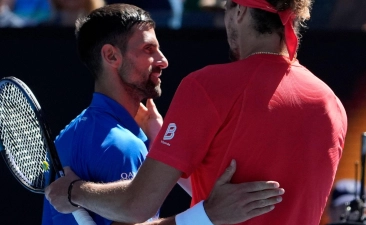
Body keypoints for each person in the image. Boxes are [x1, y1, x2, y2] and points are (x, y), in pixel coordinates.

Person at [46, 0, 347, 224]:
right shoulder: (332, 106)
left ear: (240, 11)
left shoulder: (206, 86)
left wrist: (74, 192)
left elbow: (135, 206)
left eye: (227, 8)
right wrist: (165, 139)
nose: (162, 61)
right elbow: (243, 188)